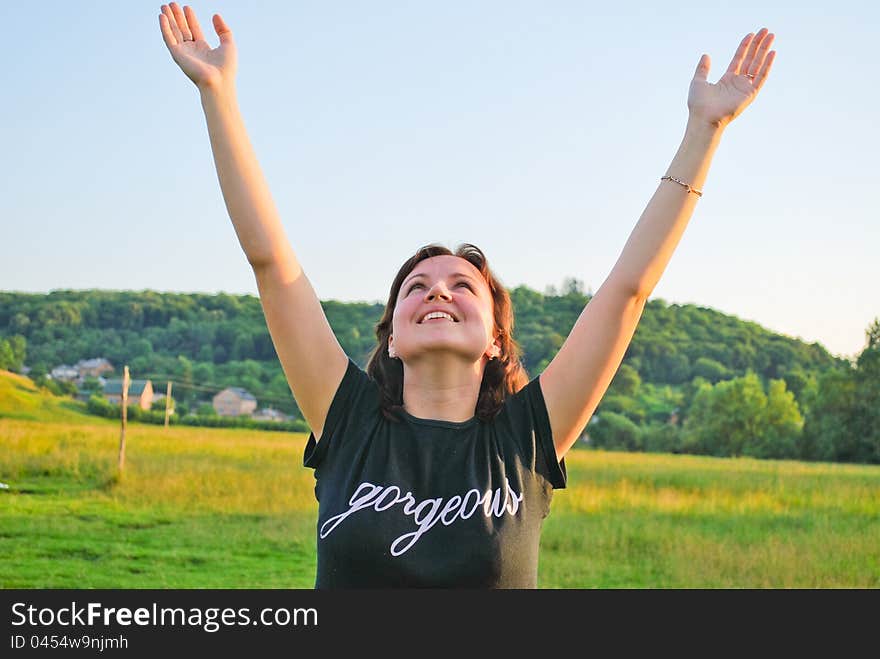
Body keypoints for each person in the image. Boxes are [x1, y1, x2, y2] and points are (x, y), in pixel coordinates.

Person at [158, 4, 776, 587]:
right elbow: (272, 263)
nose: (439, 293)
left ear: (496, 340)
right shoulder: (348, 421)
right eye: (416, 287)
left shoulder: (527, 438)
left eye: (462, 286)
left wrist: (705, 130)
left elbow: (627, 291)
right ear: (393, 337)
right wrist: (219, 96)